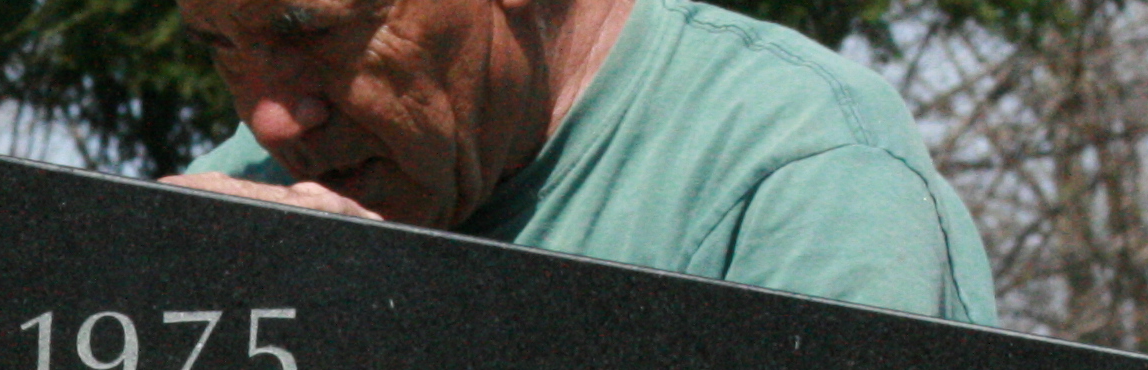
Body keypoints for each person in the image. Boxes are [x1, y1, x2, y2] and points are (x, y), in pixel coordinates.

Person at [167, 0, 996, 321]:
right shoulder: (253, 195)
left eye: (307, 33)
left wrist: (406, 342)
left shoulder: (801, 178)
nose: (271, 116)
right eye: (220, 49)